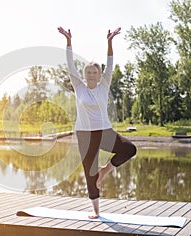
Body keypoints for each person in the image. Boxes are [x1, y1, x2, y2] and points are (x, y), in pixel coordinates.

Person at [57, 26, 137, 219]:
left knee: (130, 149)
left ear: (100, 75)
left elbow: (110, 64)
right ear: (84, 75)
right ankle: (96, 211)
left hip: (105, 132)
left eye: (95, 72)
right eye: (89, 72)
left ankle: (105, 171)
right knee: (88, 171)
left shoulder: (104, 85)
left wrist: (109, 42)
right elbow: (70, 65)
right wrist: (68, 41)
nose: (92, 75)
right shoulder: (79, 87)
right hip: (84, 134)